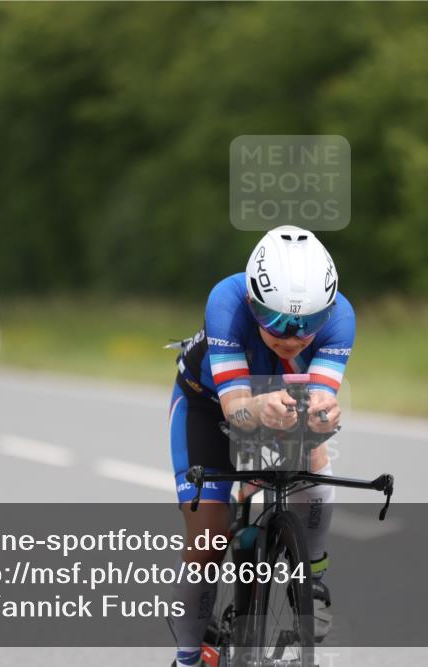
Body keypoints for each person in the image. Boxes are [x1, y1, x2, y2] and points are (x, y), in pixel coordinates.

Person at [168, 225, 355, 667]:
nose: (291, 336)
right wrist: (259, 411)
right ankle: (188, 658)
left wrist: (325, 414)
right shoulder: (227, 302)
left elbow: (322, 398)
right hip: (209, 405)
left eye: (309, 324)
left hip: (280, 400)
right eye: (275, 321)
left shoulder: (342, 317)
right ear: (253, 302)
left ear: (328, 311)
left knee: (313, 452)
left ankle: (313, 575)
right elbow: (237, 412)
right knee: (207, 540)